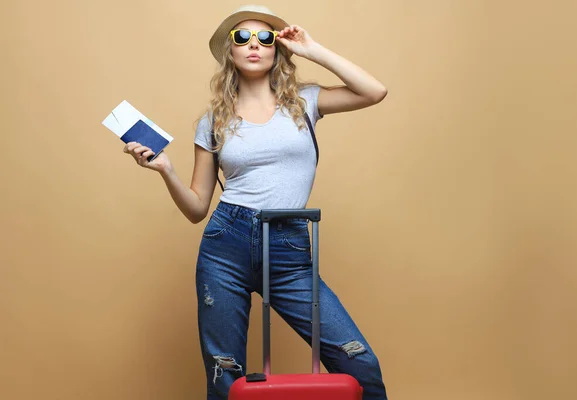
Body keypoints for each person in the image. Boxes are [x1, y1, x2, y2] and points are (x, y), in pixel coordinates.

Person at [123, 5, 388, 399]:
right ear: (229, 52)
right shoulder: (212, 120)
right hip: (225, 244)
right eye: (241, 38)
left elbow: (374, 91)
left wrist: (312, 49)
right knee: (224, 376)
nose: (253, 45)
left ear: (277, 50)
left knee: (359, 364)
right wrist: (166, 170)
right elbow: (197, 208)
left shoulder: (305, 102)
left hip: (288, 245)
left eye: (265, 38)